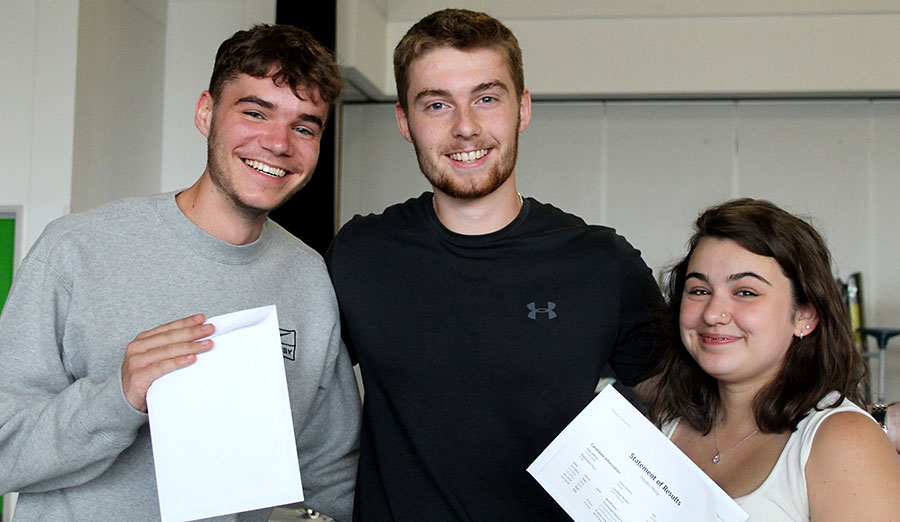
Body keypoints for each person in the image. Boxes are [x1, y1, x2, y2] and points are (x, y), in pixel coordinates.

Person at [0, 24, 360, 521]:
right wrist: (118, 395)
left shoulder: (310, 279)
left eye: (304, 126)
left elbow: (330, 473)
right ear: (206, 113)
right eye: (255, 112)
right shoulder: (76, 251)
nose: (278, 142)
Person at [325, 8, 663, 521]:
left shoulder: (599, 261)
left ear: (522, 109)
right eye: (437, 104)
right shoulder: (361, 253)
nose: (466, 127)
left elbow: (682, 402)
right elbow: (297, 395)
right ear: (404, 121)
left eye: (486, 98)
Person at [647, 198, 900, 520]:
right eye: (698, 290)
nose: (713, 314)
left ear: (804, 315)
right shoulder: (663, 425)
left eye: (746, 292)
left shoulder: (843, 440)